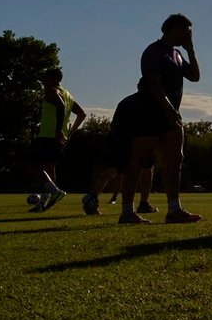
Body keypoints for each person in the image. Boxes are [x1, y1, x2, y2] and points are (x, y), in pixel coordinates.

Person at [120, 14, 202, 224]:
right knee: (140, 159)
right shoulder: (153, 51)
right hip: (149, 111)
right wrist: (167, 108)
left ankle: (174, 209)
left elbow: (194, 76)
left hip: (171, 113)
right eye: (187, 32)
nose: (188, 36)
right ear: (174, 29)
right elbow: (154, 85)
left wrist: (190, 50)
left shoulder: (176, 55)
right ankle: (127, 211)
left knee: (176, 158)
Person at [83, 87, 153, 216]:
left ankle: (92, 195)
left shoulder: (125, 101)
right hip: (136, 139)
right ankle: (143, 203)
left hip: (117, 138)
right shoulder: (148, 102)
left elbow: (114, 124)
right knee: (146, 170)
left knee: (111, 170)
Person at [27, 68, 84, 212]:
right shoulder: (68, 94)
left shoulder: (52, 91)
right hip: (58, 138)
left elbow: (61, 106)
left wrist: (58, 130)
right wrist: (69, 133)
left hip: (48, 136)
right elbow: (81, 114)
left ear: (51, 79)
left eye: (44, 78)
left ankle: (55, 192)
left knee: (33, 166)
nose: (42, 81)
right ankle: (44, 203)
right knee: (49, 169)